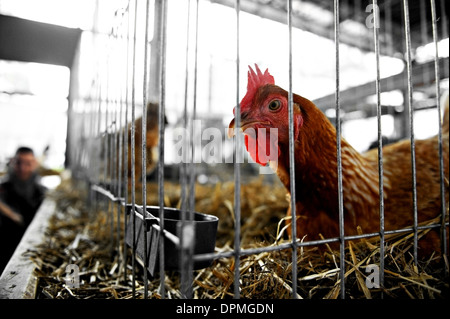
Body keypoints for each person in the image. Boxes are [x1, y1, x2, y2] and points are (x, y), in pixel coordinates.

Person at [0, 147, 46, 274]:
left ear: (35, 164)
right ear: (12, 162)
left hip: (31, 252)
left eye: (28, 164)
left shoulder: (41, 191)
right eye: (19, 162)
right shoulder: (3, 189)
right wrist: (11, 215)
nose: (23, 168)